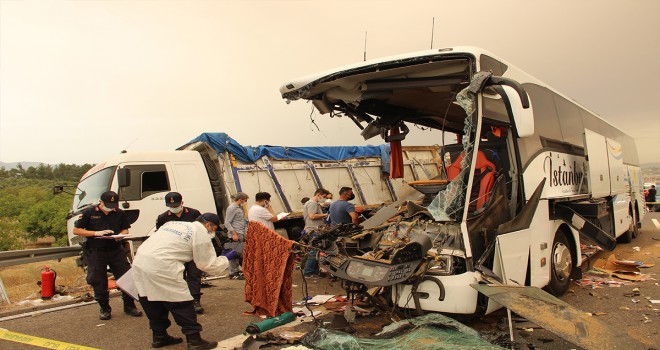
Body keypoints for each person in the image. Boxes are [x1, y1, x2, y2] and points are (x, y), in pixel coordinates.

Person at [132, 213, 239, 350]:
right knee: (181, 302)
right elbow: (208, 265)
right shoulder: (201, 234)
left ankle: (159, 336)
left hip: (140, 262)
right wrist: (226, 258)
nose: (213, 233)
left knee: (151, 300)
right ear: (208, 225)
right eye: (214, 229)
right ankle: (194, 340)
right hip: (162, 266)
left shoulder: (173, 224)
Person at [73, 191, 143, 320]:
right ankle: (104, 308)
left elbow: (125, 229)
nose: (111, 207)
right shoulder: (89, 212)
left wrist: (120, 235)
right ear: (101, 202)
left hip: (116, 249)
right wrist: (95, 233)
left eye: (113, 204)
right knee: (98, 280)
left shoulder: (119, 213)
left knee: (126, 277)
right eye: (108, 204)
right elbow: (77, 230)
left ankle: (129, 306)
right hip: (96, 251)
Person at [155, 192, 205, 314]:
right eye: (171, 206)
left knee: (194, 275)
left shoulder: (194, 213)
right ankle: (182, 300)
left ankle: (195, 300)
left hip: (192, 251)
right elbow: (160, 235)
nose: (174, 208)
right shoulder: (163, 217)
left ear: (182, 202)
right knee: (178, 276)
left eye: (176, 205)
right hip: (175, 253)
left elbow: (201, 230)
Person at [302, 188, 330, 277]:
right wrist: (326, 215)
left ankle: (314, 270)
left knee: (316, 251)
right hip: (314, 230)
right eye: (324, 197)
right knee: (314, 251)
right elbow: (312, 216)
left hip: (314, 229)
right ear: (318, 195)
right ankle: (308, 271)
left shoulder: (314, 203)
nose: (324, 199)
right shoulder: (312, 203)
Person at [224, 192, 249, 280]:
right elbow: (227, 222)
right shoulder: (232, 208)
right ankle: (232, 273)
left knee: (239, 253)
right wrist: (233, 233)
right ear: (240, 199)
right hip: (236, 233)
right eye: (245, 200)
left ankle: (237, 270)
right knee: (233, 254)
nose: (245, 202)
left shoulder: (240, 208)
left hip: (241, 233)